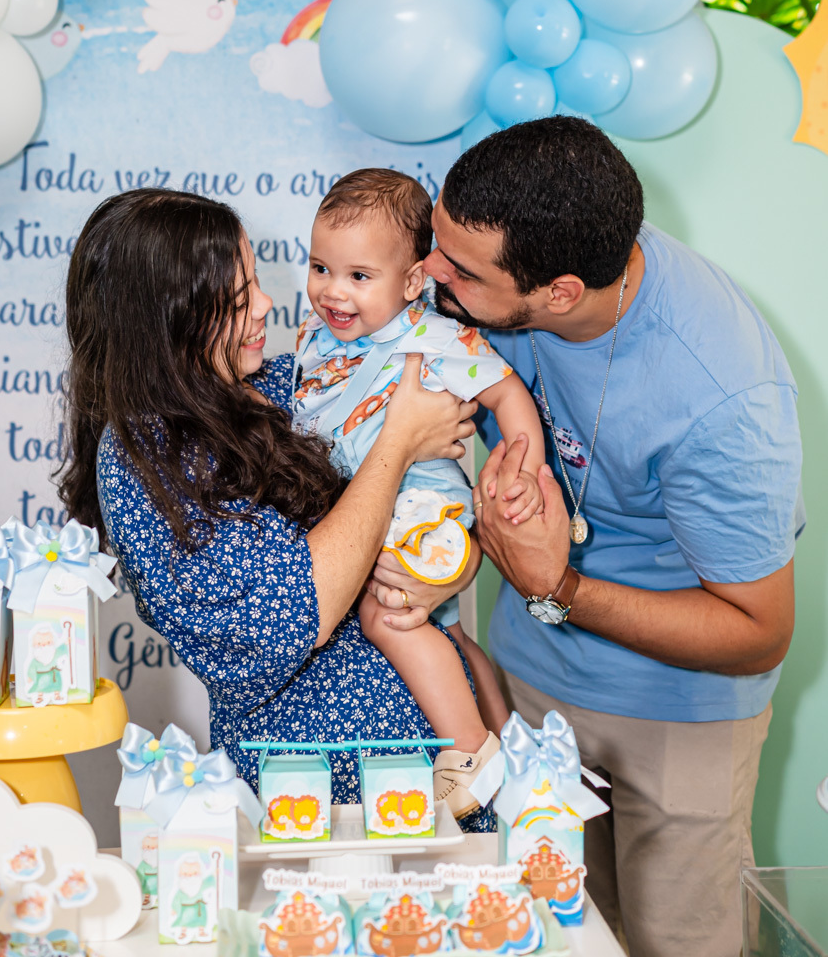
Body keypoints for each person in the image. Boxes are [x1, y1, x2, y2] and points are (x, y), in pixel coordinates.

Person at [418, 116, 802, 957]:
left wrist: (558, 587)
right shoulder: (532, 245)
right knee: (542, 937)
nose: (432, 271)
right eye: (437, 242)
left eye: (461, 269)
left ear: (559, 294)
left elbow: (760, 632)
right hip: (531, 686)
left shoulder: (722, 396)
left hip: (678, 716)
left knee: (677, 943)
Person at [58, 187, 482, 809]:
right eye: (237, 301)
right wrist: (397, 444)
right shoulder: (147, 453)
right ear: (167, 323)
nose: (265, 305)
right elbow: (293, 614)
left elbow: (431, 490)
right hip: (317, 794)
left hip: (438, 767)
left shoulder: (290, 382)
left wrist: (452, 568)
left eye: (254, 281)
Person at [293, 169, 547, 814]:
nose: (333, 290)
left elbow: (507, 393)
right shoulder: (316, 342)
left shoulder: (434, 338)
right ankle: (511, 749)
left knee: (388, 617)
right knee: (450, 634)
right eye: (320, 268)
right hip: (370, 512)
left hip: (422, 510)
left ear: (411, 283)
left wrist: (523, 470)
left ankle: (470, 753)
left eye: (359, 275)